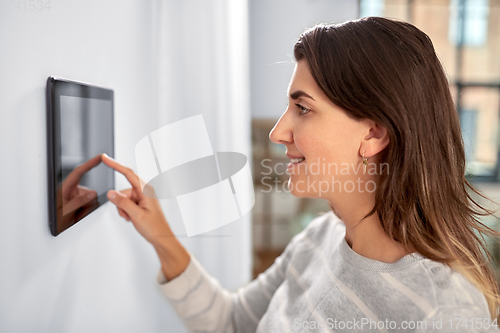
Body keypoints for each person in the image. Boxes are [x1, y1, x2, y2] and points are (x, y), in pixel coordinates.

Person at [101, 16, 500, 332]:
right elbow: (234, 324)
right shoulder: (319, 237)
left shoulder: (442, 313)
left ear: (375, 132)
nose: (278, 132)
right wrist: (162, 237)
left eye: (303, 108)